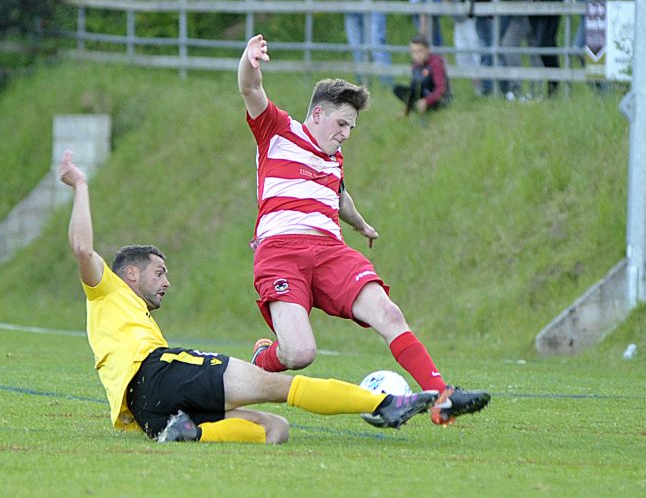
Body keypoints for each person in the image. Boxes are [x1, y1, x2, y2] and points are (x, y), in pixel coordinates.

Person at [57, 149, 439, 444]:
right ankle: (385, 404)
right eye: (159, 273)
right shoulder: (107, 290)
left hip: (147, 412)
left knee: (276, 430)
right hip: (159, 372)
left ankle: (190, 433)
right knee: (279, 387)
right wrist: (82, 186)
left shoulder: (131, 317)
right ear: (130, 273)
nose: (166, 282)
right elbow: (82, 248)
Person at [238, 34, 490, 426]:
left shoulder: (334, 159)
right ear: (318, 114)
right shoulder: (277, 131)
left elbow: (340, 199)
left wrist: (362, 224)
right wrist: (250, 60)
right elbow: (250, 88)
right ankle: (263, 358)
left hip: (330, 251)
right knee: (300, 354)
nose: (346, 134)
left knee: (387, 312)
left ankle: (442, 396)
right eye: (342, 123)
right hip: (280, 252)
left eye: (352, 127)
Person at [392, 35, 451, 115]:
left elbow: (441, 89)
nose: (417, 55)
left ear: (428, 50)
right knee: (398, 89)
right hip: (423, 94)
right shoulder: (415, 64)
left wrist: (426, 101)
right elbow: (413, 87)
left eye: (420, 51)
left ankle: (423, 107)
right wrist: (406, 111)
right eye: (414, 52)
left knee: (420, 85)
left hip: (438, 99)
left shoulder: (436, 63)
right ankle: (412, 109)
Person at [344, 10, 393, 87]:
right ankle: (361, 85)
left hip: (373, 5)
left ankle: (387, 85)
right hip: (351, 7)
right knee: (356, 47)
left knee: (377, 45)